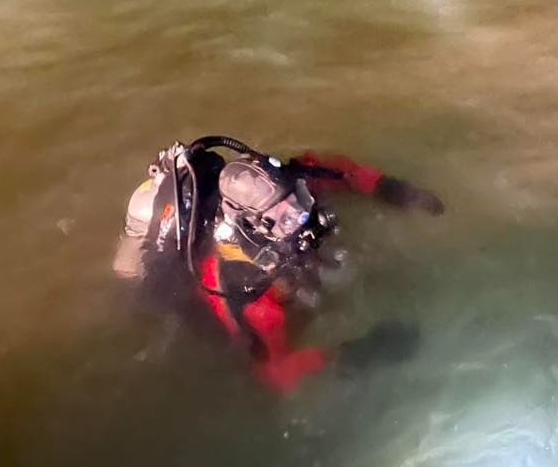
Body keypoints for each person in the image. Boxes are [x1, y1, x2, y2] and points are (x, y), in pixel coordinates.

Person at [113, 135, 444, 393]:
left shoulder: (288, 184)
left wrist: (395, 191)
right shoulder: (239, 284)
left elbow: (340, 172)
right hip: (188, 284)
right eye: (282, 217)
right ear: (254, 225)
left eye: (296, 200)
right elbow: (276, 374)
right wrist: (358, 351)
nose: (299, 215)